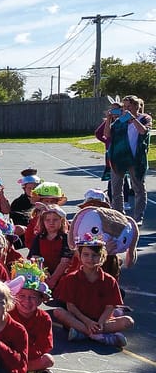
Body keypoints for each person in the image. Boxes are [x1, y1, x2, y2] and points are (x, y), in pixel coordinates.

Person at [52, 236, 134, 348]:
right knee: (58, 312)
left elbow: (110, 307)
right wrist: (88, 322)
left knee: (128, 321)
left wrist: (100, 323)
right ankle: (98, 336)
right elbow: (71, 307)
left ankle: (84, 333)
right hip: (79, 320)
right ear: (79, 256)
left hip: (101, 321)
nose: (90, 259)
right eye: (86, 254)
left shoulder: (109, 280)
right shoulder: (70, 278)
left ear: (102, 257)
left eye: (95, 255)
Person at [104, 95, 151, 224]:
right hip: (118, 158)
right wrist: (108, 119)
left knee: (138, 188)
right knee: (116, 189)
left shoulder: (145, 118)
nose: (125, 109)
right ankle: (119, 216)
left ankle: (138, 218)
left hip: (136, 159)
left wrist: (133, 119)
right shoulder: (120, 121)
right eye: (124, 107)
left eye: (128, 106)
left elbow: (143, 132)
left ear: (136, 106)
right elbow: (107, 134)